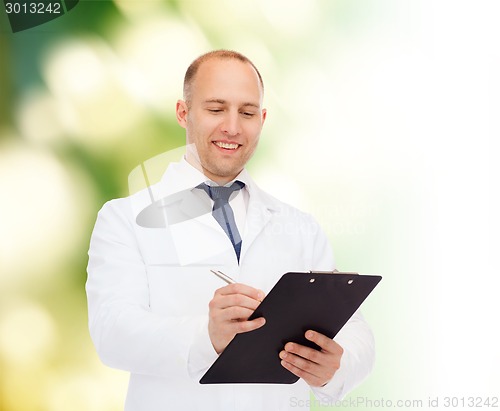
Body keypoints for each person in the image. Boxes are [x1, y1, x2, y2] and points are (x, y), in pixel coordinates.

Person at [86, 50, 375, 411]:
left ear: (263, 119)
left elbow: (354, 329)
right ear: (183, 112)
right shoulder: (124, 219)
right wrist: (207, 336)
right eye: (216, 108)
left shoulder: (299, 227)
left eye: (248, 112)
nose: (233, 127)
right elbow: (112, 333)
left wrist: (337, 366)